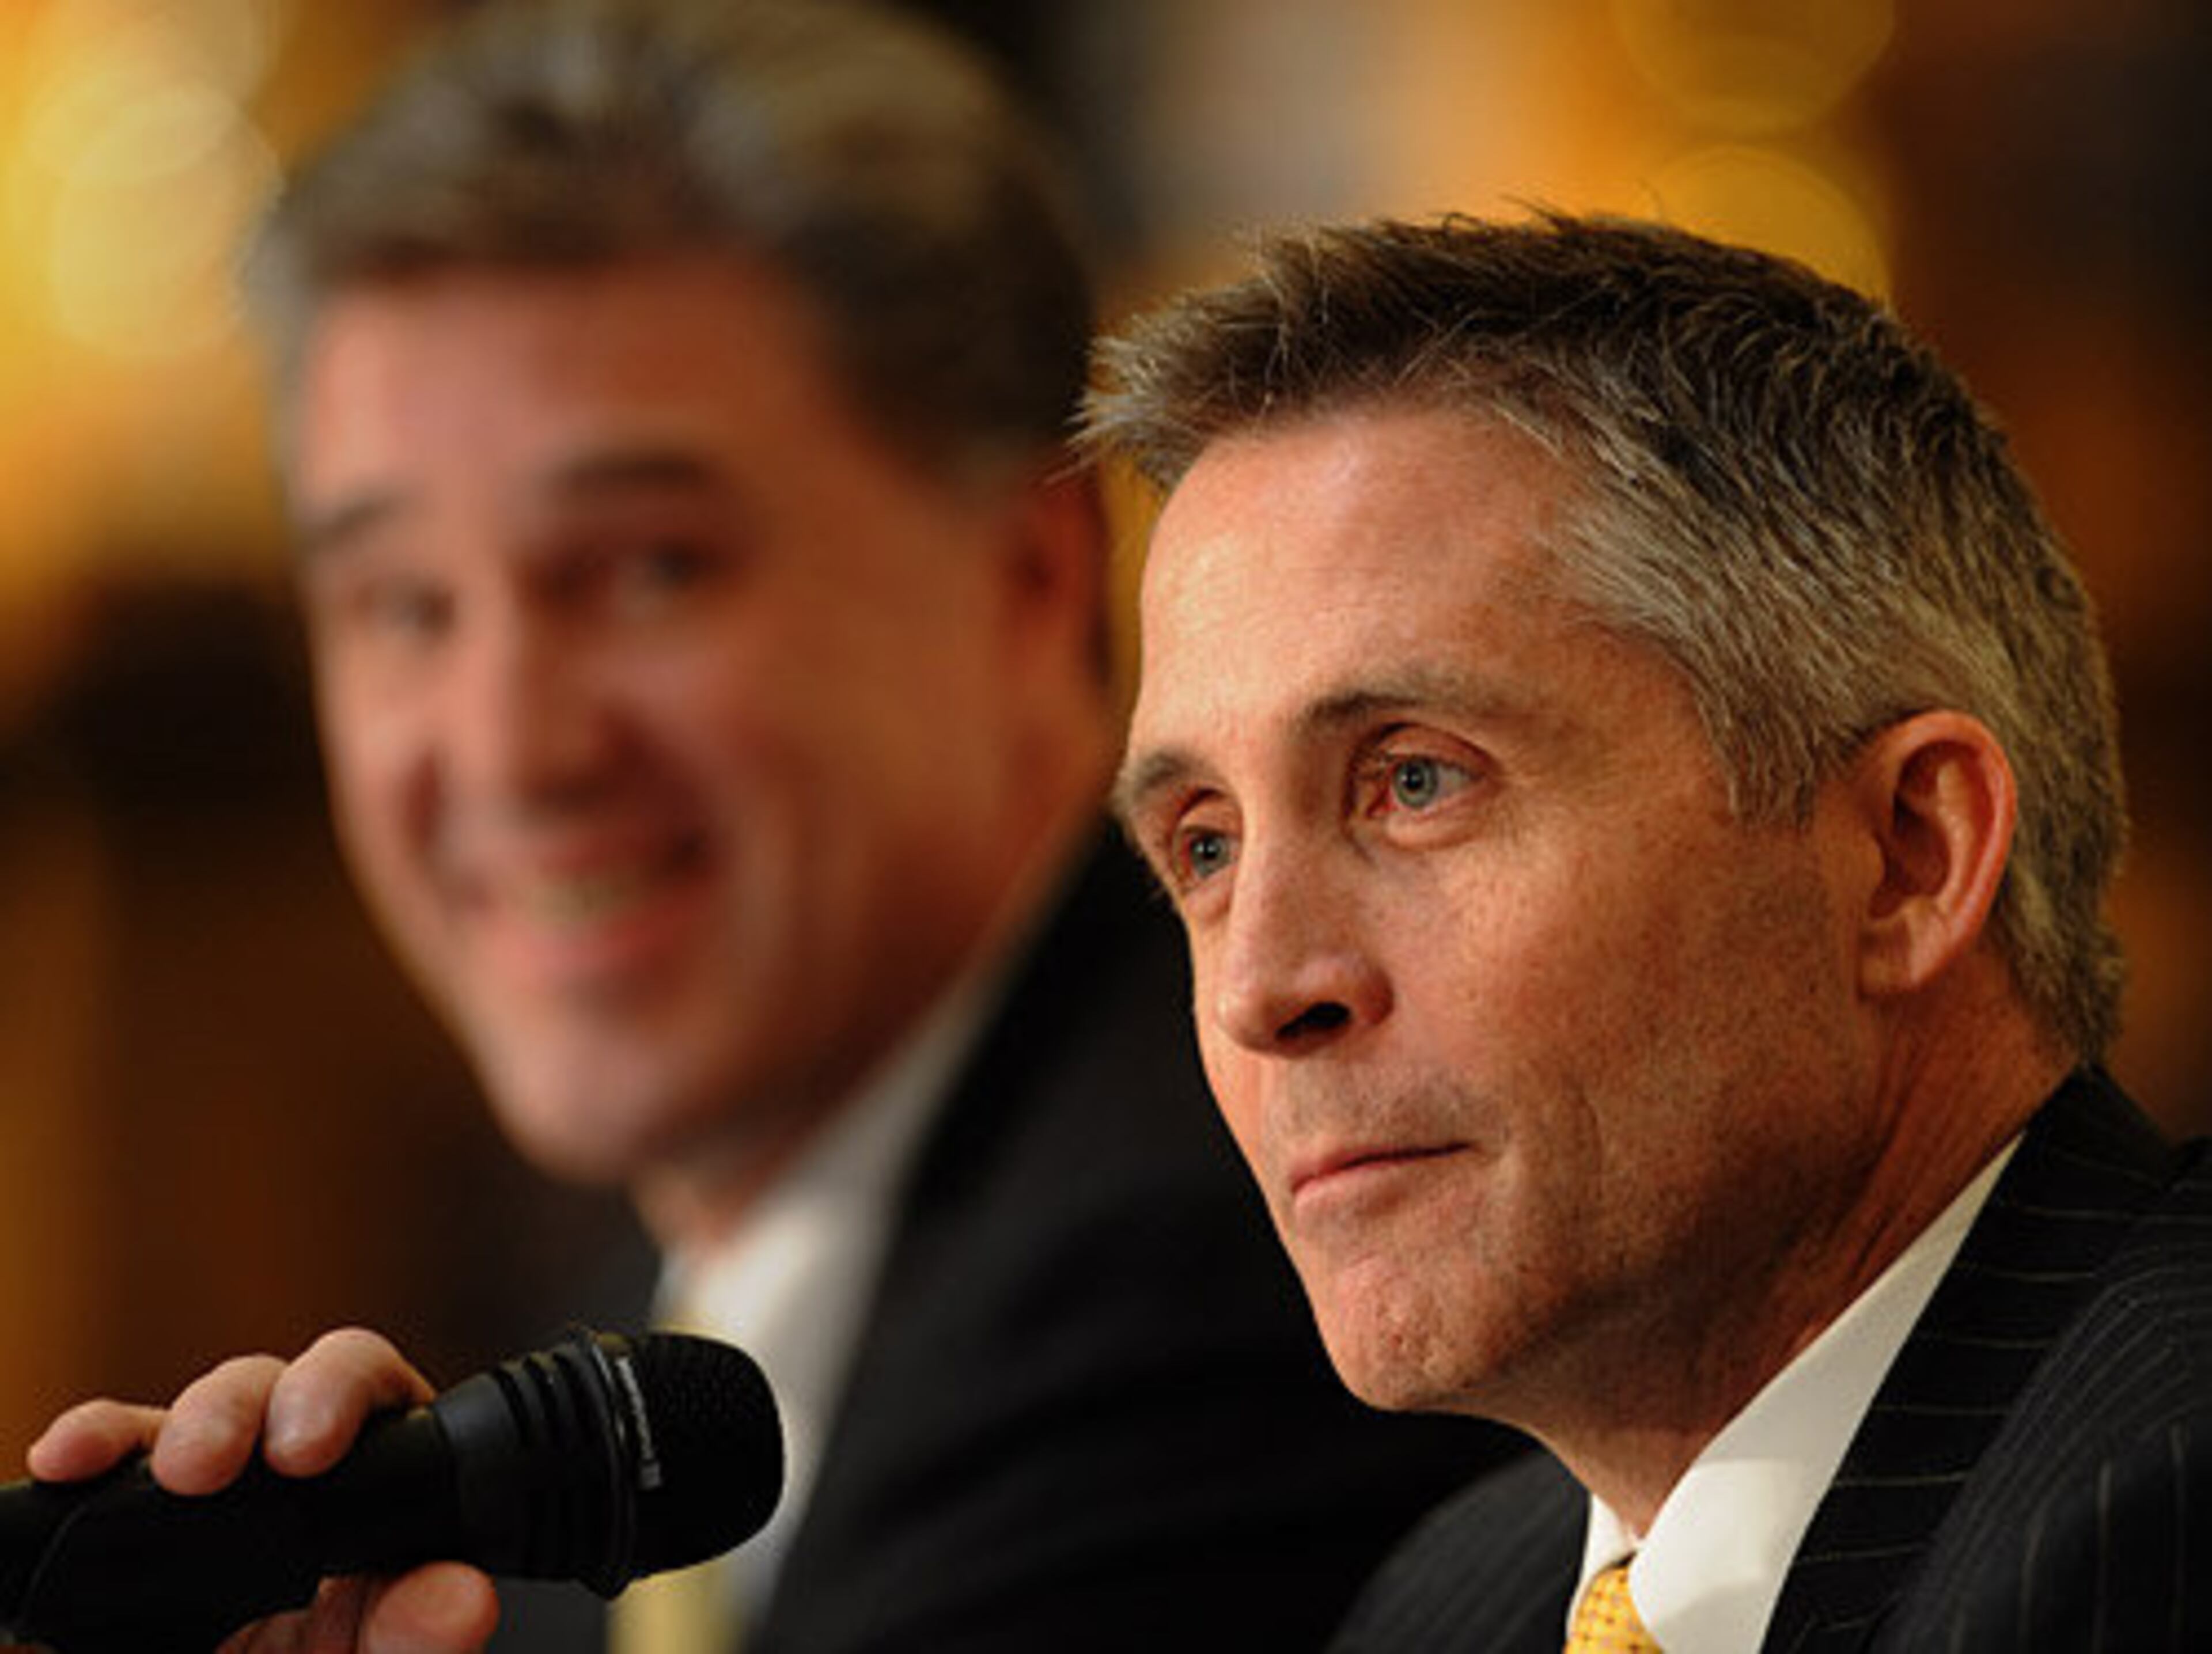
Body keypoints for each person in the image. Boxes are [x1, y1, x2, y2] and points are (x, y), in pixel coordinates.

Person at [23, 6, 1516, 1652]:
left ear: (1024, 585)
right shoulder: (611, 1347)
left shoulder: (1227, 1269)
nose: (512, 746)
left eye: (650, 567)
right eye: (401, 605)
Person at [1084, 210, 2212, 1651]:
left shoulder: (2161, 1519)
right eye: (1207, 845)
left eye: (1414, 781)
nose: (1261, 986)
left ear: (1906, 857)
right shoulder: (1459, 1601)